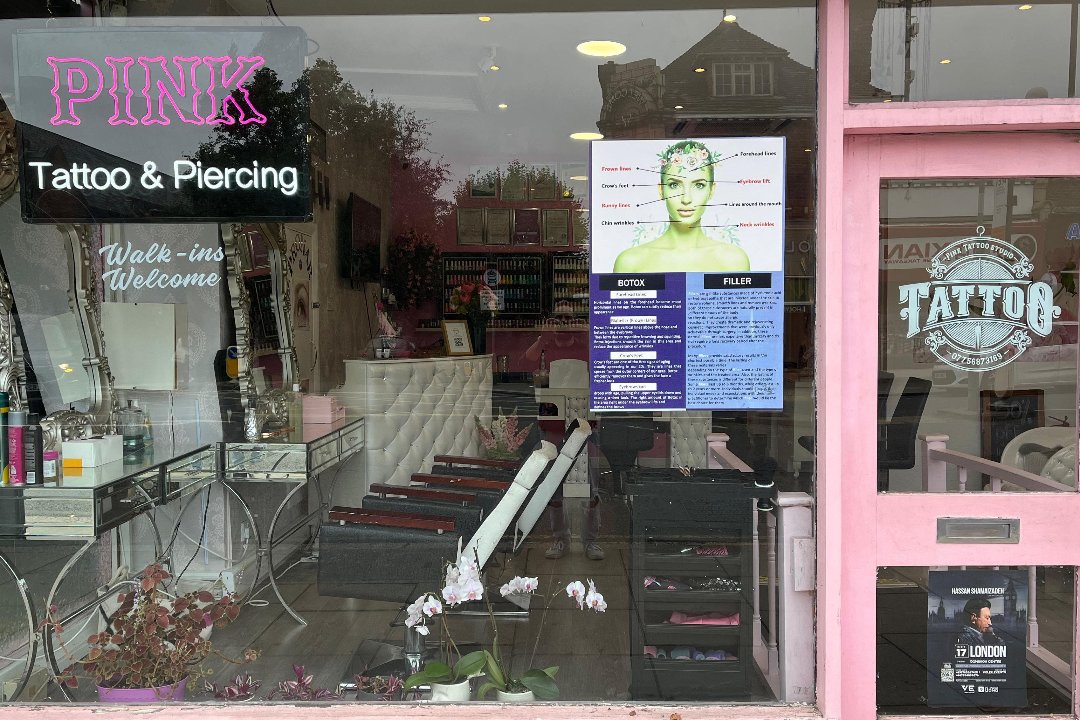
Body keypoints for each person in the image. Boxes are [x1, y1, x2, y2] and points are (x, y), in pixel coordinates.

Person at [524, 320, 603, 561]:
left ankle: (591, 541)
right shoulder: (545, 346)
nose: (565, 325)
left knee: (590, 485)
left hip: (584, 420)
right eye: (558, 320)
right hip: (552, 419)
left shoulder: (585, 344)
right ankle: (560, 539)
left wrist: (588, 334)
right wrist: (542, 337)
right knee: (554, 485)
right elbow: (526, 363)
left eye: (569, 318)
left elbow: (601, 368)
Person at [613, 140, 750, 273]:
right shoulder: (630, 262)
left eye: (699, 185)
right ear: (661, 190)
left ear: (711, 190)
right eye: (674, 185)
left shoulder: (733, 261)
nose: (686, 199)